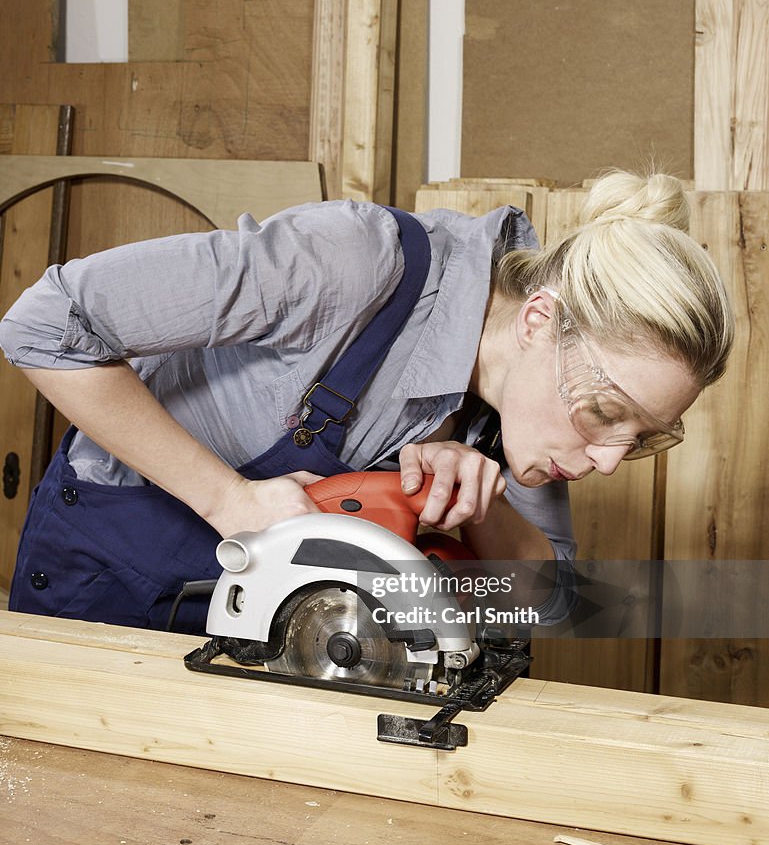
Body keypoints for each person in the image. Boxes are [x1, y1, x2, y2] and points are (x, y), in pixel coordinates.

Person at [0, 170, 734, 632]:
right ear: (538, 320)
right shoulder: (354, 264)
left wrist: (486, 509)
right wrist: (230, 500)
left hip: (286, 630)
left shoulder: (516, 416)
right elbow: (44, 323)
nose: (608, 460)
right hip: (114, 577)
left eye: (642, 436)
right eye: (607, 414)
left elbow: (540, 606)